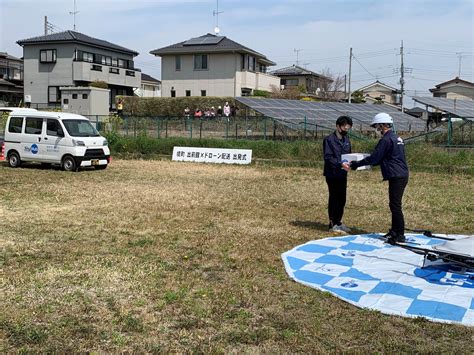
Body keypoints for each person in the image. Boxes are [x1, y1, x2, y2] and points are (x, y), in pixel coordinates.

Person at [350, 112, 409, 244]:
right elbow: (383, 158)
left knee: (395, 205)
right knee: (394, 204)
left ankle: (399, 234)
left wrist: (357, 164)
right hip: (401, 173)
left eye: (377, 127)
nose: (377, 130)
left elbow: (375, 158)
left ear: (383, 125)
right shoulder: (397, 138)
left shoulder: (386, 140)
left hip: (396, 175)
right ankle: (395, 230)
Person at [323, 115, 353, 234]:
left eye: (348, 128)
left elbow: (349, 155)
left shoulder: (346, 140)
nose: (346, 130)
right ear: (338, 126)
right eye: (344, 127)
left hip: (342, 173)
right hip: (332, 173)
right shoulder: (329, 140)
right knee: (334, 197)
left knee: (342, 198)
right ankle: (332, 223)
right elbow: (328, 157)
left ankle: (339, 221)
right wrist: (340, 164)